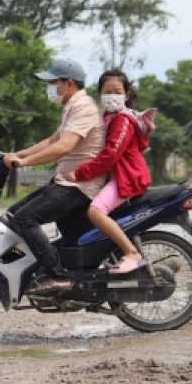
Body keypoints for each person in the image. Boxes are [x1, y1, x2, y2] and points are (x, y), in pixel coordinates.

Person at [1, 57, 106, 293]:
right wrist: (15, 155)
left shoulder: (84, 108)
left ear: (68, 84)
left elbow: (63, 147)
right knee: (12, 214)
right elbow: (52, 140)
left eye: (53, 82)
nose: (50, 87)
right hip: (67, 182)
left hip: (80, 185)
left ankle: (59, 276)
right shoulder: (72, 107)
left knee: (24, 219)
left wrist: (24, 163)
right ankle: (36, 267)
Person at [62, 69, 155, 274]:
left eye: (117, 91)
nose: (112, 95)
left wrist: (79, 174)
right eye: (107, 91)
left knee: (95, 211)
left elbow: (109, 156)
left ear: (126, 95)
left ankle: (131, 253)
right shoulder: (107, 117)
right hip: (116, 177)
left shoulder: (123, 120)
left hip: (128, 178)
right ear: (99, 94)